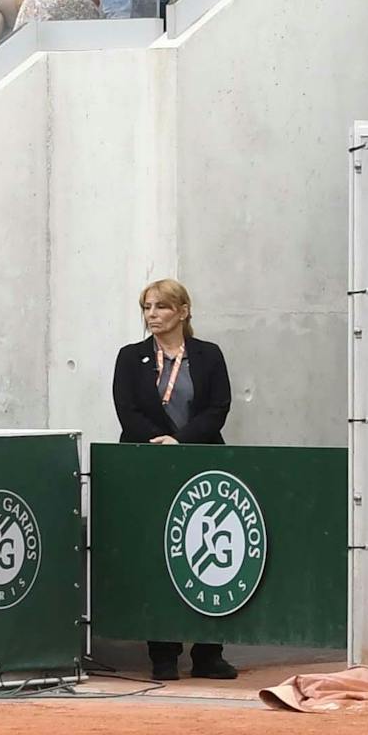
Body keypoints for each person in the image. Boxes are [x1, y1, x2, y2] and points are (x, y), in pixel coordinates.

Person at [109, 276, 236, 678]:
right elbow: (127, 410)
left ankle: (208, 653)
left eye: (161, 307)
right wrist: (156, 440)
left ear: (183, 311)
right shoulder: (130, 357)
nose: (152, 315)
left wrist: (180, 440)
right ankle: (162, 654)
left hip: (200, 460)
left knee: (206, 552)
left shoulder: (209, 355)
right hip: (147, 465)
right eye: (147, 308)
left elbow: (218, 407)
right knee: (155, 554)